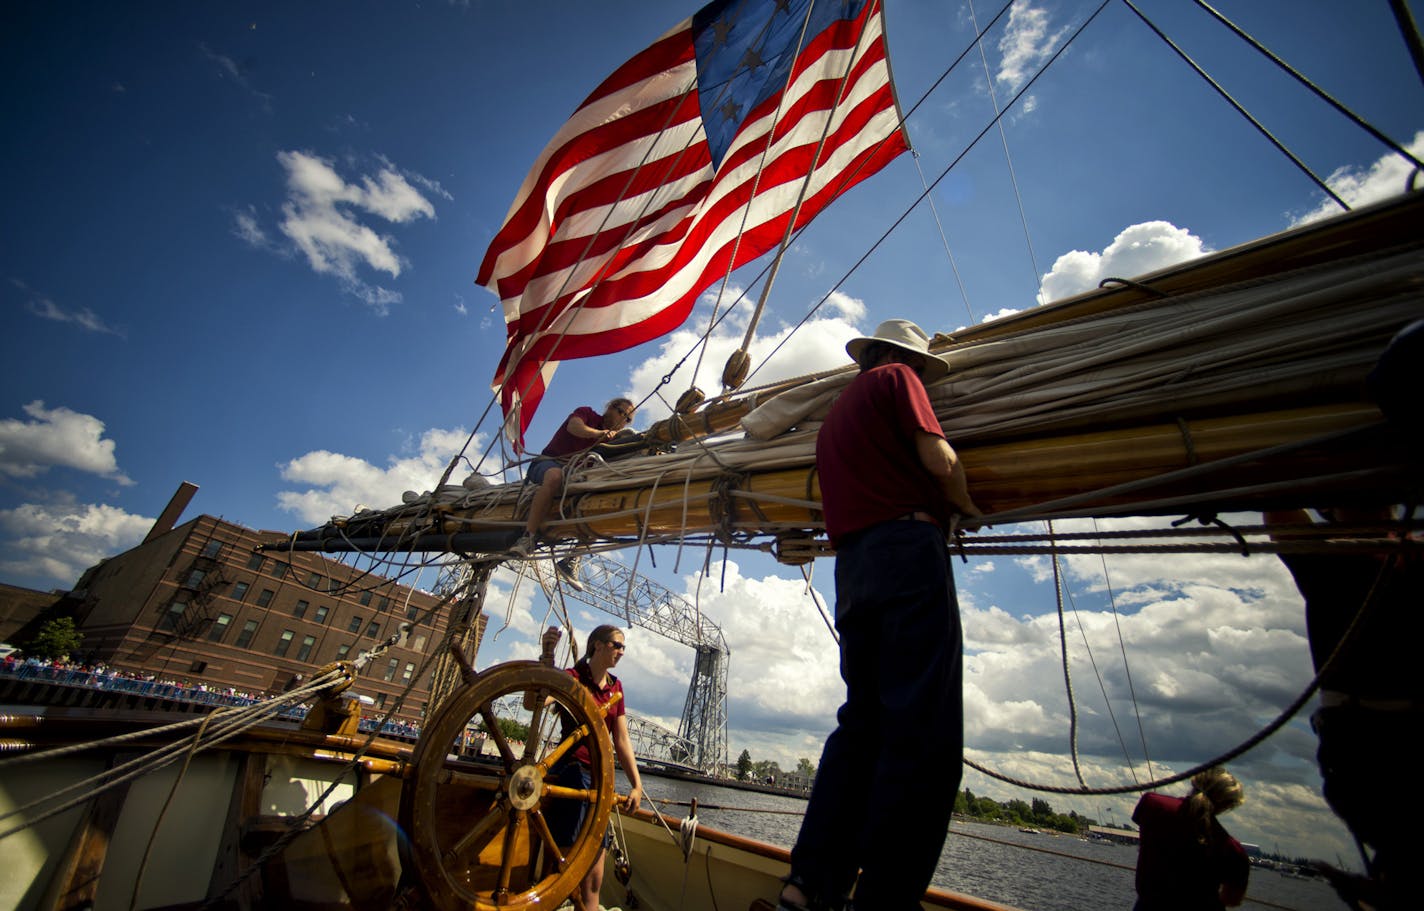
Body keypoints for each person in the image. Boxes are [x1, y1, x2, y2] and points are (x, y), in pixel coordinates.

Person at [778, 319, 982, 911]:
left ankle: (810, 881)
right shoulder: (898, 378)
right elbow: (939, 460)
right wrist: (966, 506)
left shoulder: (836, 415)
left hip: (853, 567)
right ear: (901, 359)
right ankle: (887, 899)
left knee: (862, 724)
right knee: (925, 732)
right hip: (905, 553)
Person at [540, 624, 644, 911]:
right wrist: (547, 656)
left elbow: (621, 740)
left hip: (601, 781)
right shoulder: (573, 678)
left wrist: (637, 785)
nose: (621, 652)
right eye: (616, 645)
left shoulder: (616, 687)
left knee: (594, 879)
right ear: (597, 645)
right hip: (572, 776)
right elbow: (533, 702)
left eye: (624, 647)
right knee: (562, 869)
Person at [511, 398, 636, 585]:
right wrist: (599, 434)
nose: (623, 419)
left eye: (628, 419)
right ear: (610, 408)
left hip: (576, 478)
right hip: (549, 463)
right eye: (621, 412)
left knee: (605, 499)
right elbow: (574, 427)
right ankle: (527, 538)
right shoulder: (586, 413)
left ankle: (573, 558)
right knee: (555, 477)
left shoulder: (613, 442)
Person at [1132, 768, 1249, 911]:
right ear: (1227, 805)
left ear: (1194, 782)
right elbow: (1231, 899)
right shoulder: (1233, 851)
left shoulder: (1152, 804)